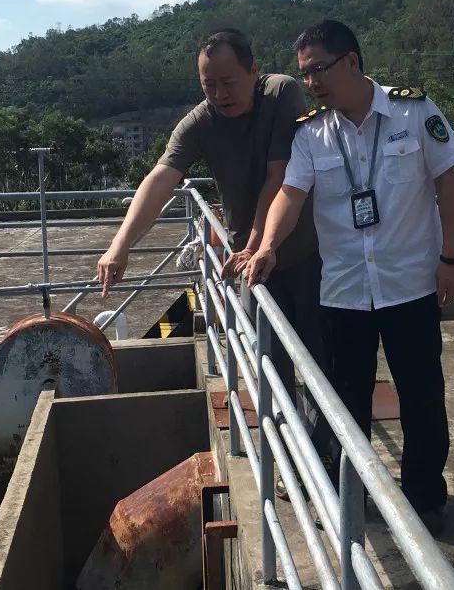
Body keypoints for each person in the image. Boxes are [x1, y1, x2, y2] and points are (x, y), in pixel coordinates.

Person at [245, 19, 454, 530]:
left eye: (319, 69)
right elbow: (290, 195)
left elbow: (448, 185)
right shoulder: (312, 134)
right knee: (345, 402)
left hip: (411, 285)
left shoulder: (414, 112)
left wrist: (451, 259)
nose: (311, 83)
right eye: (305, 74)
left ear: (351, 62)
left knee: (422, 397)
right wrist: (267, 246)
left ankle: (424, 500)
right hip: (344, 291)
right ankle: (350, 496)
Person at [97, 28, 334, 485]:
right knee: (270, 368)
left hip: (308, 255)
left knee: (322, 364)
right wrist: (119, 245)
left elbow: (279, 177)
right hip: (252, 265)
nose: (220, 94)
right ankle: (289, 460)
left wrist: (256, 244)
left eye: (228, 82)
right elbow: (161, 177)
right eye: (209, 85)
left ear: (253, 71)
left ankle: (325, 466)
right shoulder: (201, 122)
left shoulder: (280, 93)